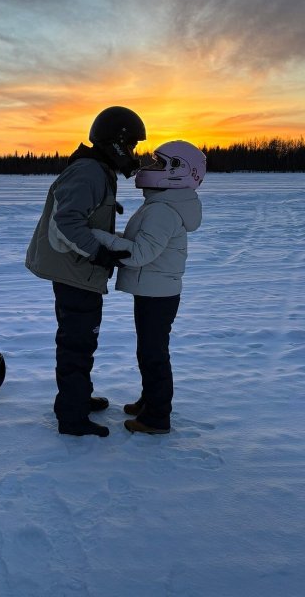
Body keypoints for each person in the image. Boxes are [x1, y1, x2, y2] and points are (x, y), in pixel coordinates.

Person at [25, 106, 146, 437]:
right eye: (132, 145)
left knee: (79, 342)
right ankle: (72, 417)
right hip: (75, 273)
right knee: (77, 343)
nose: (133, 153)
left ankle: (74, 399)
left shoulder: (96, 170)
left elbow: (81, 215)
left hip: (76, 271)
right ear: (116, 143)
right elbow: (66, 221)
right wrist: (99, 254)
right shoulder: (89, 172)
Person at [92, 140, 205, 434]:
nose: (150, 167)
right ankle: (149, 401)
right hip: (156, 292)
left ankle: (157, 417)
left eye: (159, 164)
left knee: (154, 355)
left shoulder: (163, 210)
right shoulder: (162, 204)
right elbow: (142, 245)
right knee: (149, 352)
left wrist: (98, 237)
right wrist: (110, 236)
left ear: (178, 171)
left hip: (158, 295)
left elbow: (140, 254)